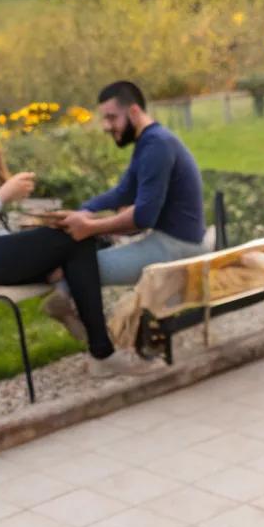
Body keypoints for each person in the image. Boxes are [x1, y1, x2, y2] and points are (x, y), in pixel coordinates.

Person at [0, 90, 128, 378]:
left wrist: (31, 223)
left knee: (75, 234)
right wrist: (5, 193)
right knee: (75, 238)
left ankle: (91, 335)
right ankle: (98, 344)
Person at [43, 80, 208, 336]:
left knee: (78, 267)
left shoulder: (157, 145)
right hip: (167, 241)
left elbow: (143, 216)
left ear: (133, 112)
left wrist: (90, 227)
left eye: (111, 118)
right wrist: (84, 211)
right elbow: (123, 192)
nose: (106, 126)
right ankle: (75, 306)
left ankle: (96, 337)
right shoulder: (149, 143)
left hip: (177, 248)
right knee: (77, 263)